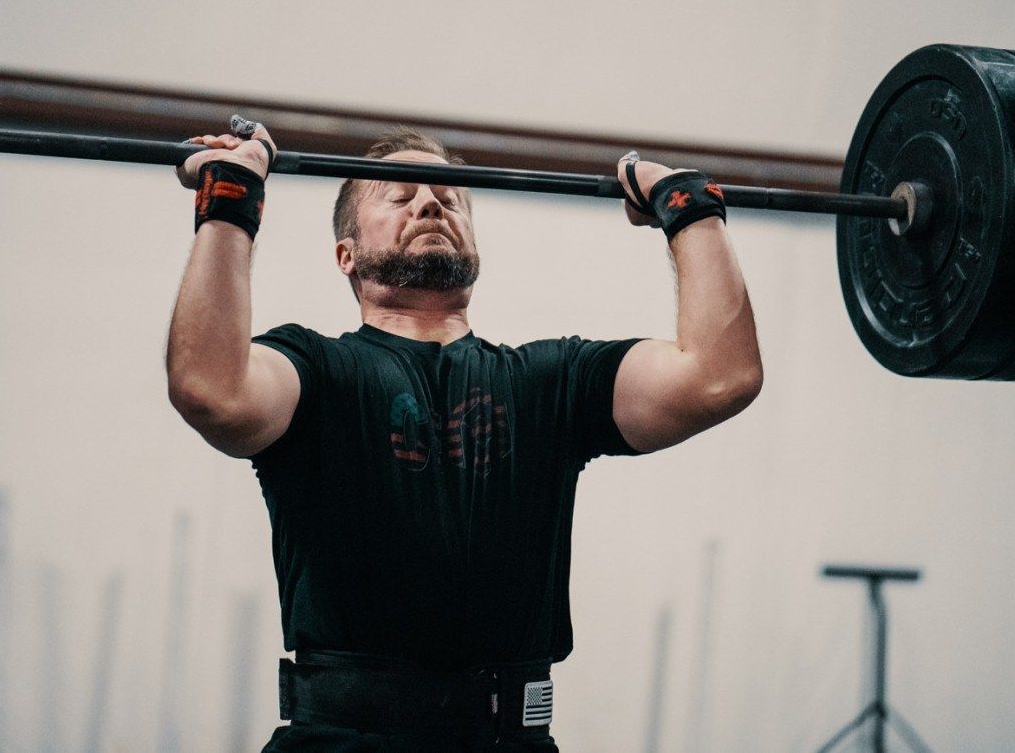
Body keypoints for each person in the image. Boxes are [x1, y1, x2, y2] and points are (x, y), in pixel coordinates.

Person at [166, 124, 763, 751]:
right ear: (346, 254)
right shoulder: (313, 370)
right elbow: (212, 388)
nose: (429, 201)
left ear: (475, 245)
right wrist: (231, 196)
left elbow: (721, 376)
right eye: (398, 196)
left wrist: (687, 205)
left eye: (450, 198)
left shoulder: (551, 380)